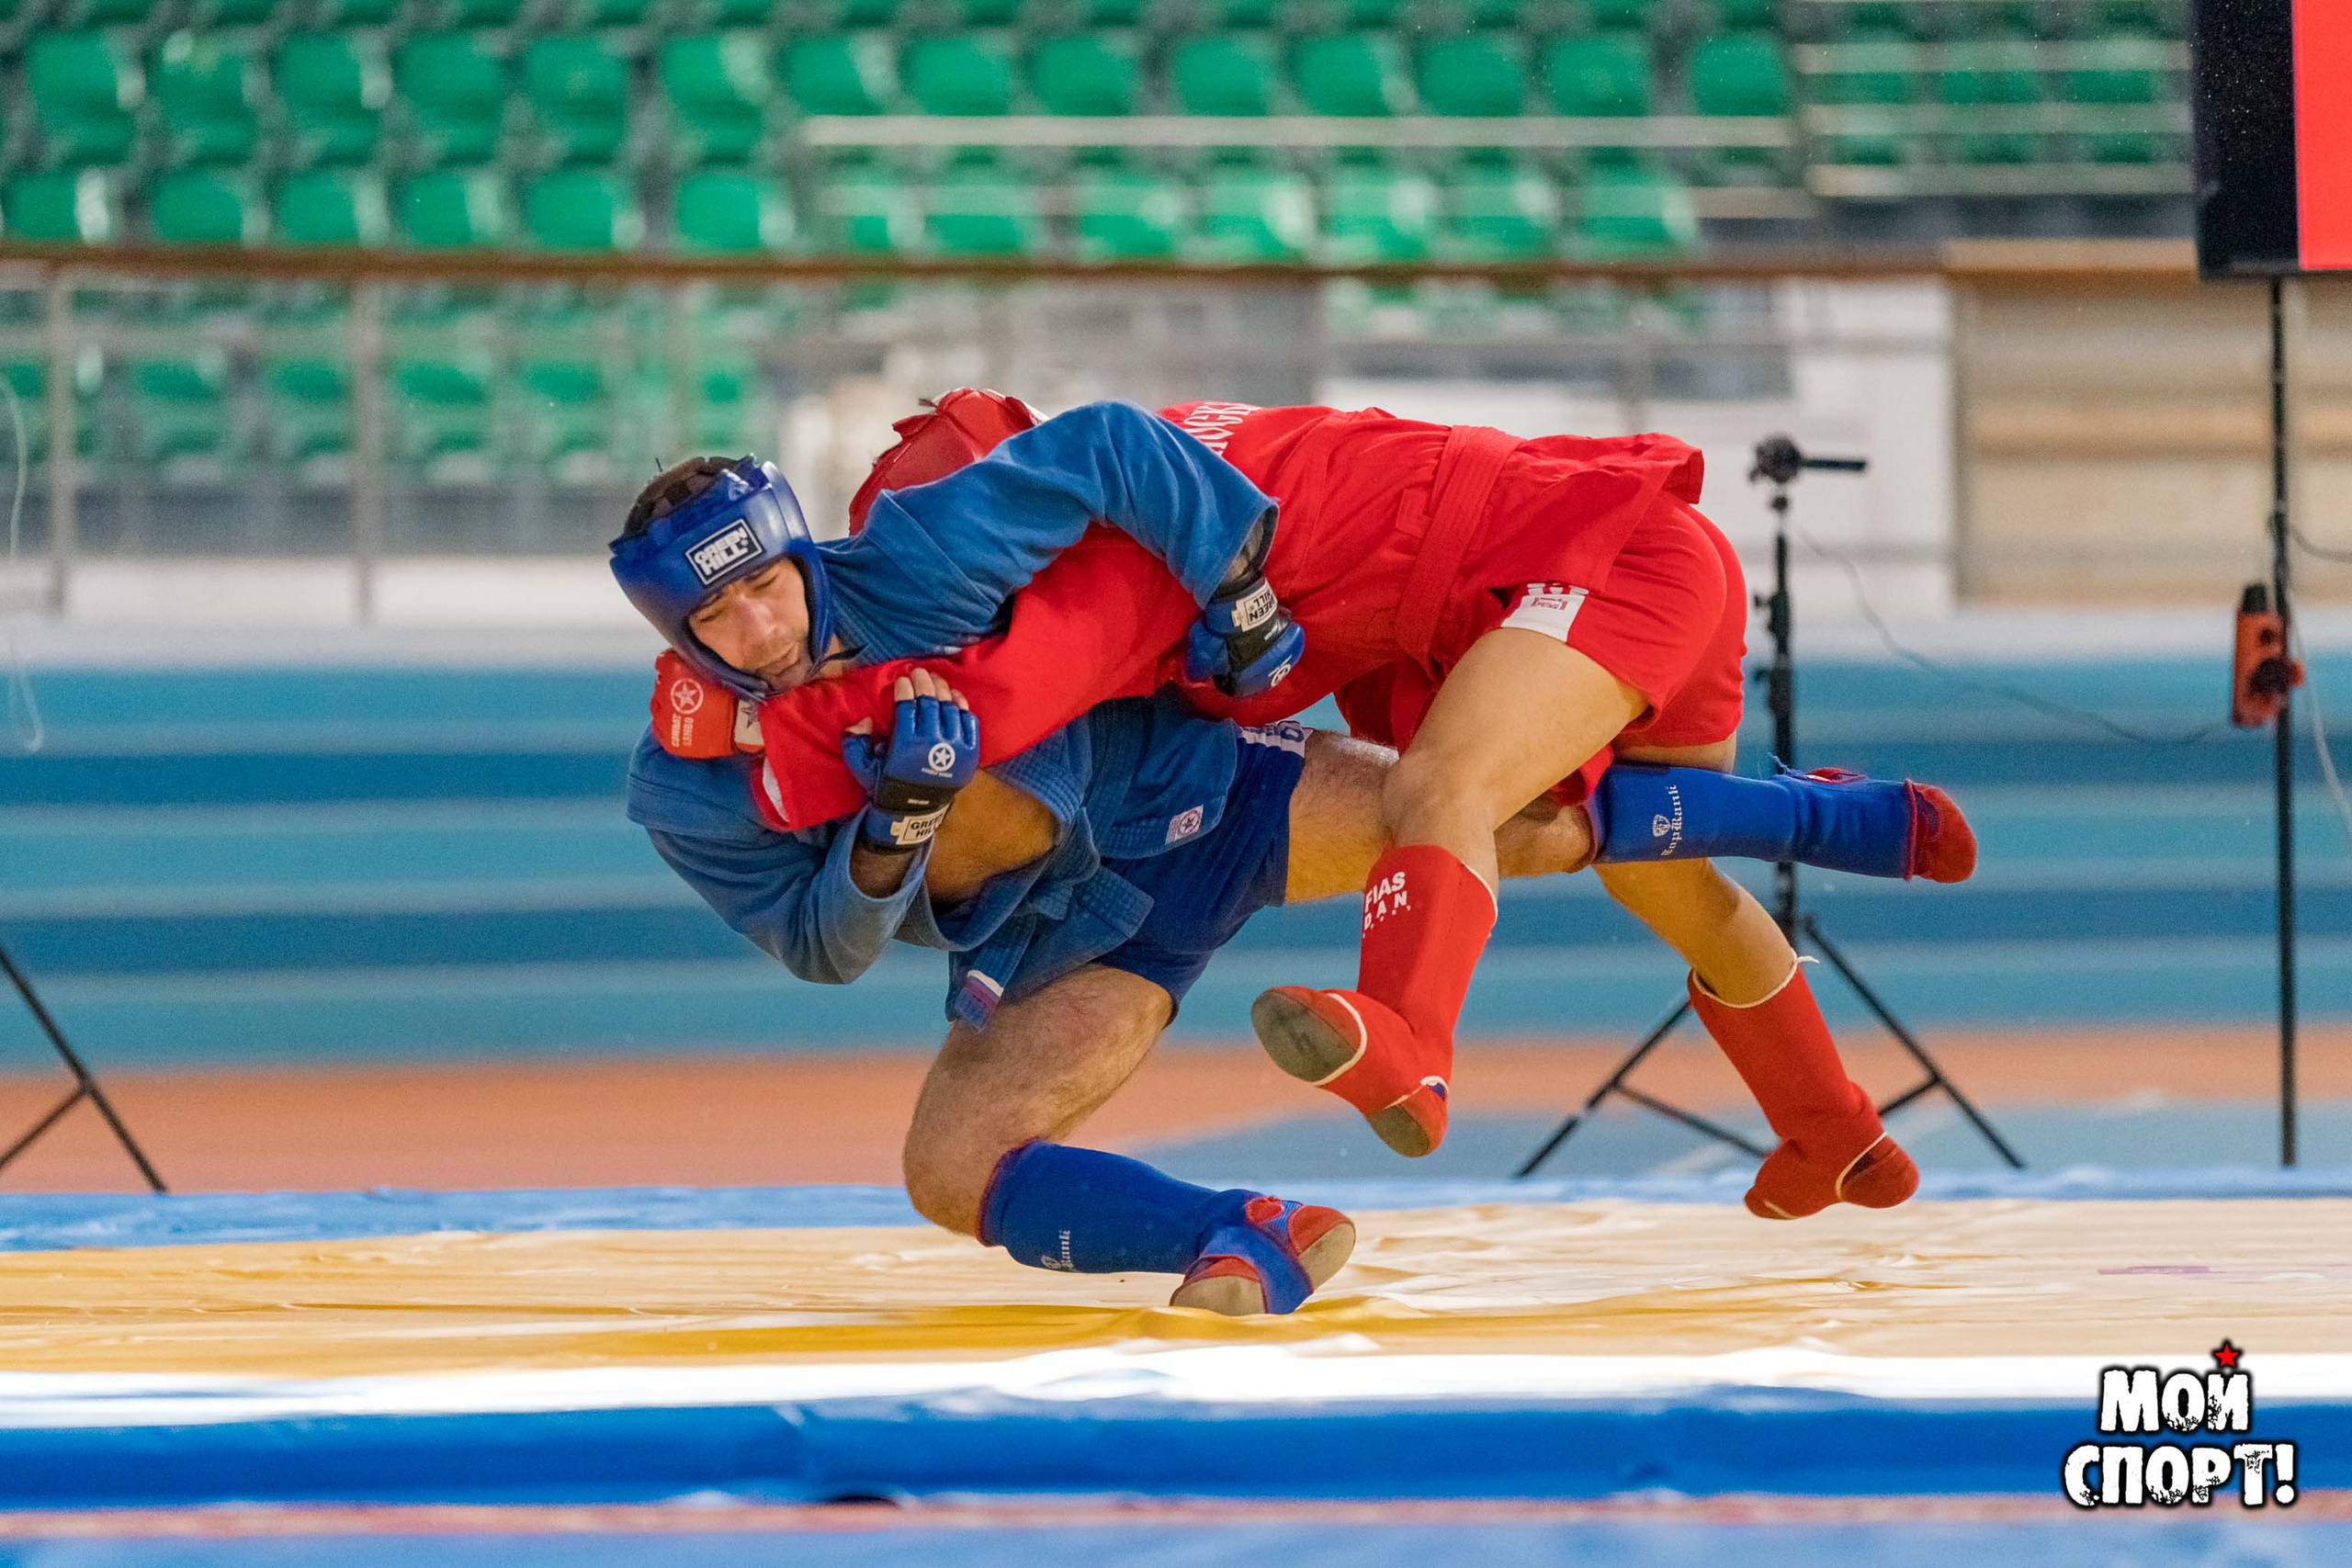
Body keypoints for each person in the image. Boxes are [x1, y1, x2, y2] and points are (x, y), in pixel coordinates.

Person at [613, 459, 1966, 1314]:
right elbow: (822, 949)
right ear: (672, 638)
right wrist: (886, 836)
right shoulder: (686, 785)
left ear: (801, 548)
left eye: (772, 590)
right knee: (947, 1168)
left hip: (1204, 789)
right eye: (719, 624)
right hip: (1079, 930)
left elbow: (1110, 452)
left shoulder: (916, 552)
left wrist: (1239, 598)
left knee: (1515, 822)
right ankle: (1253, 1232)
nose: (765, 632)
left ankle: (1803, 809)